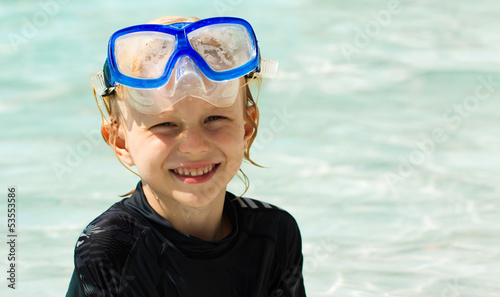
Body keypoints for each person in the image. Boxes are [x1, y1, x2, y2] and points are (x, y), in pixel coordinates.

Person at [66, 15, 306, 297]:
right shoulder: (113, 248)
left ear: (247, 128)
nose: (193, 146)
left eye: (214, 118)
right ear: (120, 141)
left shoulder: (275, 234)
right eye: (165, 125)